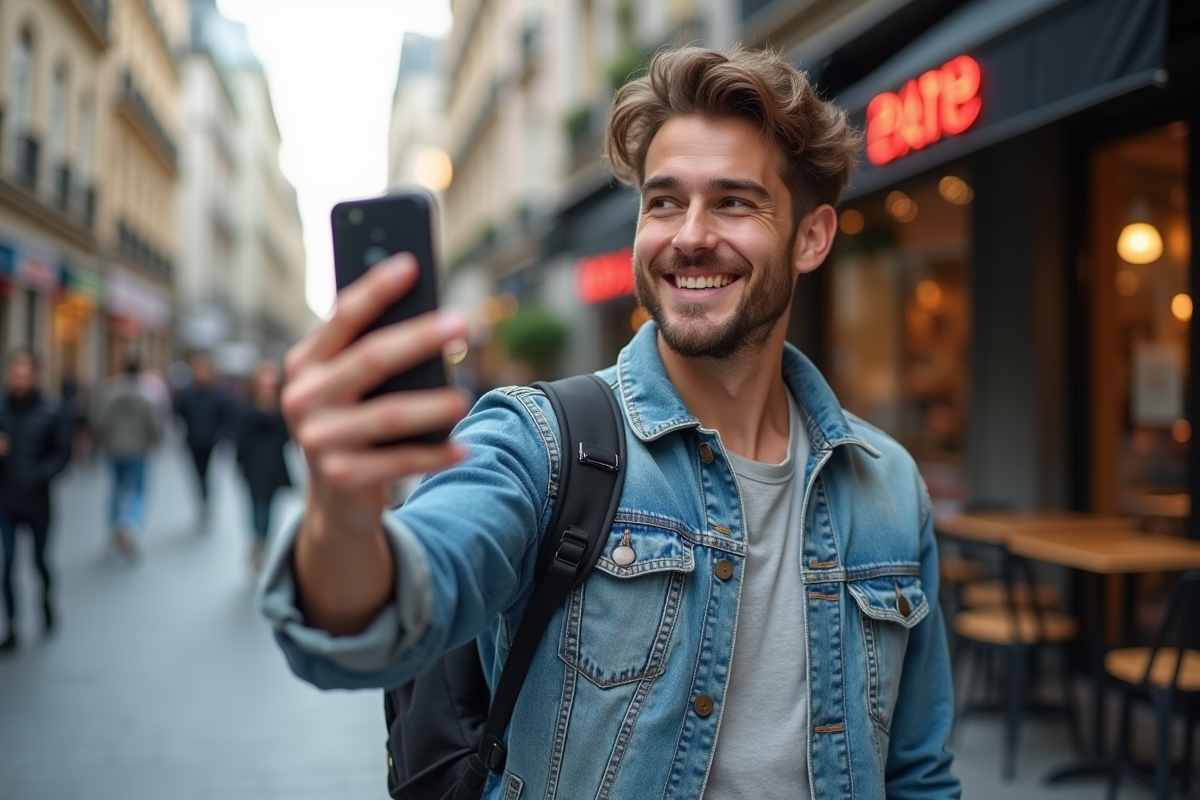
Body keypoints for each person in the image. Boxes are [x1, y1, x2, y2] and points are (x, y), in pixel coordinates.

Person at [262, 47, 959, 799]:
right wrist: (339, 519)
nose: (689, 235)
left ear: (812, 237)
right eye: (663, 201)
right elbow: (386, 614)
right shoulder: (542, 443)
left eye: (733, 201)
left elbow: (918, 773)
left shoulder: (887, 483)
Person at [0, 349, 72, 651]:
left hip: (39, 501)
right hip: (6, 499)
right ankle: (13, 626)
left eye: (24, 370)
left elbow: (62, 453)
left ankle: (45, 599)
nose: (18, 376)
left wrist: (42, 474)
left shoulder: (51, 410)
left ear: (35, 374)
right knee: (8, 563)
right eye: (14, 370)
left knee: (39, 561)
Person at [93, 358, 162, 558]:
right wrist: (155, 441)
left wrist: (101, 441)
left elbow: (100, 421)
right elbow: (155, 424)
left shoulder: (109, 391)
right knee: (138, 490)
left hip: (114, 448)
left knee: (116, 487)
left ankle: (115, 527)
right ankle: (129, 524)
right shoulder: (147, 395)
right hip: (138, 450)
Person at [235, 360, 291, 572]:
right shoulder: (247, 406)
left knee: (269, 507)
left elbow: (287, 436)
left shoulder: (282, 406)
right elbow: (240, 437)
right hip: (253, 465)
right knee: (256, 506)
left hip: (274, 465)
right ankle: (258, 541)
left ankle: (261, 542)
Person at [174, 352, 231, 523]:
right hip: (193, 440)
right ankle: (202, 500)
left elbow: (224, 416)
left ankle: (206, 500)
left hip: (210, 441)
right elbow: (180, 413)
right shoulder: (188, 393)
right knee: (197, 473)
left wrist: (221, 435)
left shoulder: (217, 394)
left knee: (206, 473)